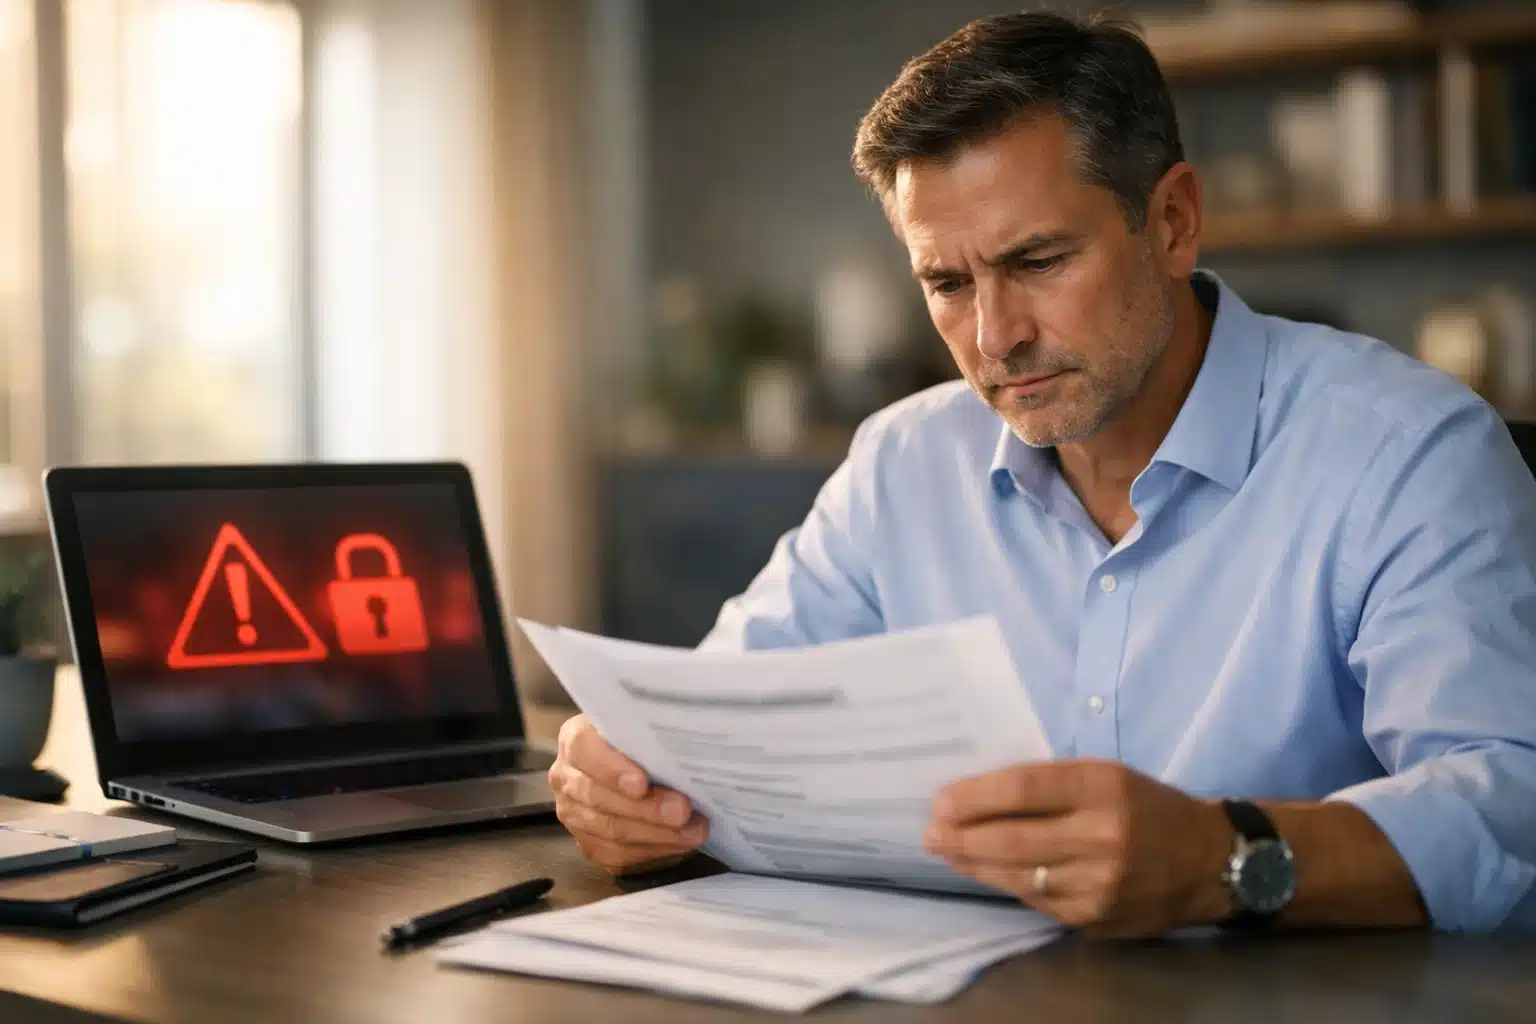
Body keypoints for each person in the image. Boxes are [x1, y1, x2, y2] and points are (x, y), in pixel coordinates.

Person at [548, 10, 1536, 936]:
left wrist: (1220, 856)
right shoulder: (901, 464)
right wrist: (628, 784)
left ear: (1175, 222)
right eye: (946, 281)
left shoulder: (1406, 450)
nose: (994, 336)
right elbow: (715, 725)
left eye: (1039, 260)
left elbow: (1506, 803)